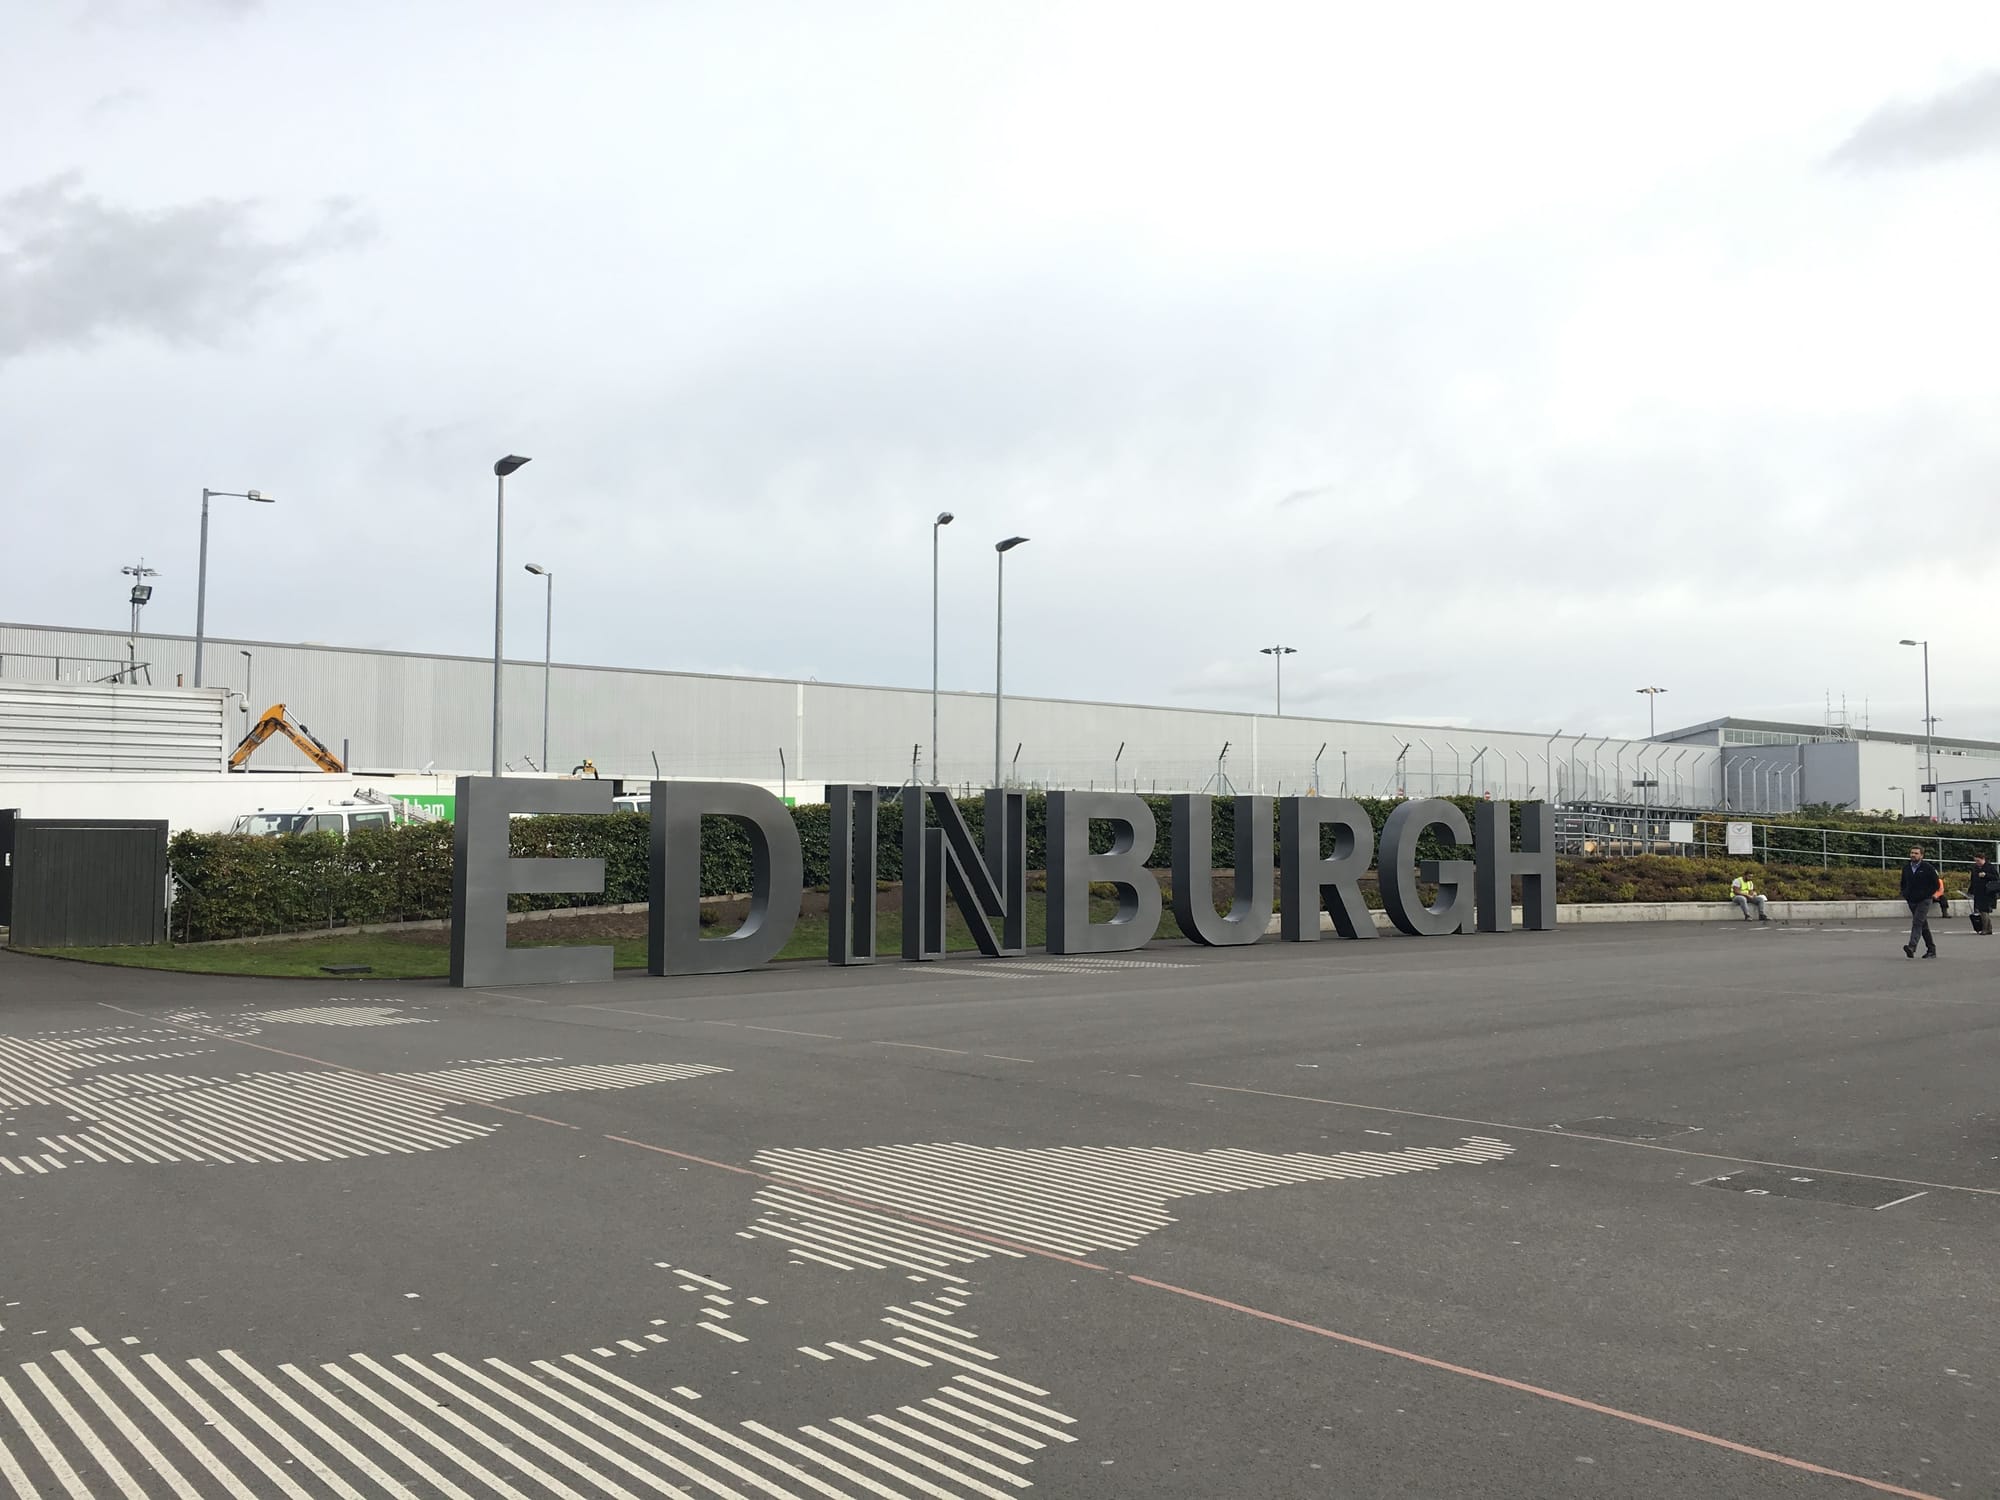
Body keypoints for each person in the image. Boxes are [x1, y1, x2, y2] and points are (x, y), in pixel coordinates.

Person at [1899, 845, 1943, 959]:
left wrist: (1927, 895)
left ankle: (1912, 946)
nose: (1913, 855)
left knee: (1917, 922)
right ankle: (1931, 949)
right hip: (1911, 900)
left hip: (1924, 900)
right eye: (1912, 853)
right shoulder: (1906, 868)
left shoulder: (1928, 868)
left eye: (1916, 853)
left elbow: (1936, 884)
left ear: (1921, 855)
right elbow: (1903, 883)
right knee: (1923, 925)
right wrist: (1905, 894)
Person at [1970, 852, 1998, 937]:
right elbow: (1973, 879)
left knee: (1984, 910)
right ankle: (1988, 928)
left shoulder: (1990, 867)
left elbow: (1996, 877)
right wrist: (1971, 890)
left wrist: (1986, 875)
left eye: (1978, 861)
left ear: (1983, 859)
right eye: (1975, 861)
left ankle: (1985, 929)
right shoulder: (1975, 868)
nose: (1977, 862)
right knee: (1982, 910)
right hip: (1978, 891)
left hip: (1987, 892)